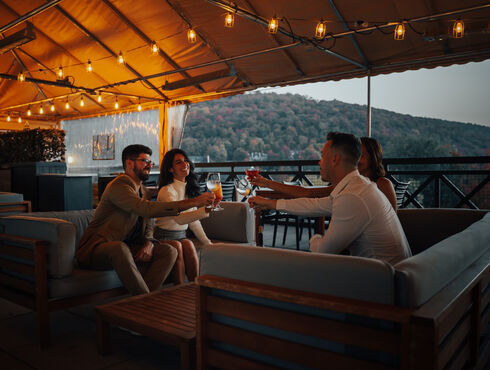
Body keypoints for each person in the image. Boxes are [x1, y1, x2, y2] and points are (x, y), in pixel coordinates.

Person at [248, 132, 411, 265]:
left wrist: (314, 239)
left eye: (322, 156)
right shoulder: (359, 185)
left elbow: (323, 252)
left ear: (335, 159)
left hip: (386, 284)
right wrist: (269, 204)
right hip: (390, 274)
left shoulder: (353, 196)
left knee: (287, 266)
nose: (319, 162)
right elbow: (313, 204)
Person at [76, 144, 215, 295]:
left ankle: (143, 299)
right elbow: (144, 208)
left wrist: (149, 242)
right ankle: (144, 299)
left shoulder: (143, 191)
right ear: (129, 163)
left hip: (129, 247)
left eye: (150, 162)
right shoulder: (119, 185)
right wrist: (195, 202)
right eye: (144, 161)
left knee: (169, 251)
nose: (149, 165)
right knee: (118, 248)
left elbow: (149, 224)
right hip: (97, 249)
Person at [250, 137, 397, 210]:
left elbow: (391, 218)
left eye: (362, 156)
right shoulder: (348, 185)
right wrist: (266, 183)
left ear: (374, 158)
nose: (356, 161)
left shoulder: (382, 184)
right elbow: (308, 194)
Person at [154, 149, 213, 284]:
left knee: (188, 244)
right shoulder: (166, 191)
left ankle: (195, 288)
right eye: (178, 162)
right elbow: (179, 219)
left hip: (180, 235)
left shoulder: (188, 189)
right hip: (162, 236)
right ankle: (179, 289)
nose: (185, 164)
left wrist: (208, 243)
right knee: (177, 246)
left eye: (186, 161)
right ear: (170, 169)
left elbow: (193, 221)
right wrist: (205, 210)